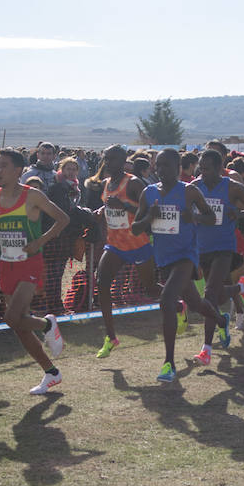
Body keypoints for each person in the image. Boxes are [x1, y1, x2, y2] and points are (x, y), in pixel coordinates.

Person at [0, 148, 70, 394]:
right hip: (6, 264)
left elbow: (63, 219)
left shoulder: (32, 196)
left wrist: (40, 242)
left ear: (18, 170)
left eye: (3, 165)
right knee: (18, 325)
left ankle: (48, 326)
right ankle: (51, 373)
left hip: (30, 262)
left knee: (10, 318)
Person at [131, 148, 226, 382]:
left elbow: (211, 217)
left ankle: (168, 364)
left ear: (177, 168)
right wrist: (149, 217)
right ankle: (222, 320)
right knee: (194, 303)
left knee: (166, 300)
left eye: (166, 165)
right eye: (158, 165)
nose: (161, 169)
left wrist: (193, 217)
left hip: (186, 256)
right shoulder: (148, 193)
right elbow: (135, 228)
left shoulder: (189, 191)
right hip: (164, 257)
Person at [191, 149, 244, 364]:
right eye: (200, 168)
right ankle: (240, 289)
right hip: (202, 248)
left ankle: (207, 349)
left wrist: (239, 214)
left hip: (224, 248)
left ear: (220, 168)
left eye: (207, 168)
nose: (202, 172)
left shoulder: (232, 187)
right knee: (218, 296)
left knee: (210, 294)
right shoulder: (194, 188)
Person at [93, 145, 160, 359]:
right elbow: (110, 207)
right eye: (106, 158)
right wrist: (101, 212)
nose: (108, 163)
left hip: (138, 244)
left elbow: (151, 212)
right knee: (102, 282)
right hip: (114, 245)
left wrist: (124, 206)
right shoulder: (106, 183)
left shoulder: (133, 183)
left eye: (112, 159)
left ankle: (178, 304)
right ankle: (111, 337)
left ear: (123, 162)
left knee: (151, 288)